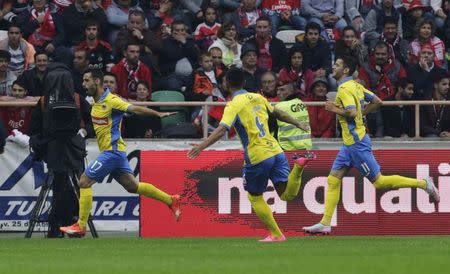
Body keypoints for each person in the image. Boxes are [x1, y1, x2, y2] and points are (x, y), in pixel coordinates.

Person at [302, 56, 440, 235]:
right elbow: (377, 101)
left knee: (380, 182)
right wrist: (361, 114)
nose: (333, 67)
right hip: (349, 144)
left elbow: (351, 112)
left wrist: (334, 109)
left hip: (356, 144)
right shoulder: (356, 86)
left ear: (345, 70)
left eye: (337, 64)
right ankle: (325, 223)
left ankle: (424, 184)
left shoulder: (344, 88)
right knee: (333, 179)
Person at [188, 68, 314, 242]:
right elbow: (277, 112)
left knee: (254, 196)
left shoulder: (234, 104)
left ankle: (276, 234)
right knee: (286, 195)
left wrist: (202, 146)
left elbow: (222, 129)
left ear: (226, 84)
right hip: (276, 150)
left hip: (257, 155)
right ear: (244, 83)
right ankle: (298, 167)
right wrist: (297, 123)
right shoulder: (258, 97)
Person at [60, 69, 181, 237]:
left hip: (112, 152)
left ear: (97, 82)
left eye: (87, 80)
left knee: (84, 182)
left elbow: (135, 109)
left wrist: (158, 114)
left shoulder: (112, 100)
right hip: (116, 152)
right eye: (83, 80)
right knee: (133, 186)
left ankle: (81, 225)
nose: (83, 84)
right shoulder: (94, 102)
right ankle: (171, 200)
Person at [275, 81, 312, 150]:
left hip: (288, 147)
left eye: (282, 90)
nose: (278, 93)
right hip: (306, 146)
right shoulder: (300, 103)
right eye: (277, 90)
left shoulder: (279, 106)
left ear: (291, 91)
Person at [420, 72, 450, 138]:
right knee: (433, 137)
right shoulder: (425, 101)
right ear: (436, 85)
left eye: (449, 84)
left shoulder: (448, 101)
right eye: (444, 84)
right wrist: (439, 133)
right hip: (430, 134)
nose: (448, 87)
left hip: (447, 135)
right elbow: (422, 126)